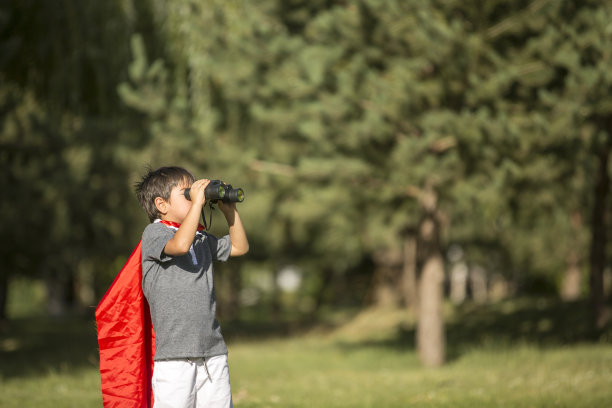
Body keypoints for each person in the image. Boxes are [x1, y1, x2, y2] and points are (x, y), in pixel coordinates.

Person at [135, 166, 249, 408]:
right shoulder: (154, 233)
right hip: (175, 357)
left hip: (213, 352)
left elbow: (239, 247)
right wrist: (197, 205)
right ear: (161, 204)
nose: (195, 194)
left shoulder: (200, 238)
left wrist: (230, 212)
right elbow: (180, 246)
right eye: (186, 192)